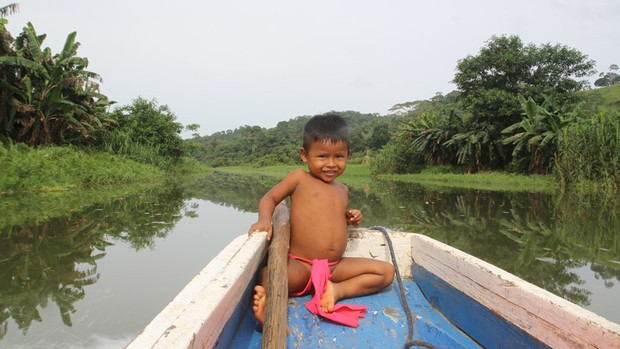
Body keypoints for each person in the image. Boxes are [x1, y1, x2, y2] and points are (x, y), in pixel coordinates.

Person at [248, 112, 395, 328]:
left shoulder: (343, 189)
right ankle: (268, 309)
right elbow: (270, 197)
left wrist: (351, 218)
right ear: (304, 155)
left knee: (386, 272)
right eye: (322, 156)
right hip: (301, 266)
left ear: (348, 156)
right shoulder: (299, 178)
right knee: (269, 273)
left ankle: (337, 291)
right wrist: (264, 220)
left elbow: (331, 220)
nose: (331, 164)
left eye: (339, 156)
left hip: (334, 269)